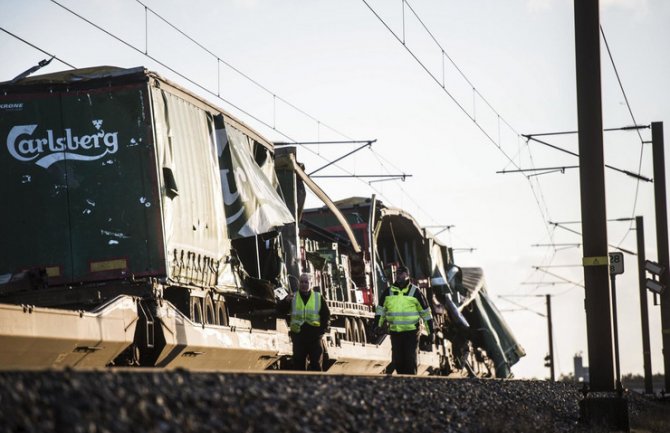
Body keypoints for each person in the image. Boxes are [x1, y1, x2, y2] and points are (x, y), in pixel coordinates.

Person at [373, 265, 433, 375]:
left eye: (401, 274)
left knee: (410, 359)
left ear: (407, 275)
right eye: (397, 274)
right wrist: (377, 325)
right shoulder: (388, 292)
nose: (398, 276)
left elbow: (426, 313)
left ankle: (411, 382)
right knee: (399, 361)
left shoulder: (416, 292)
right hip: (395, 332)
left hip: (412, 332)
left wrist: (430, 332)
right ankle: (402, 381)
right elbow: (380, 311)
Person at [288, 273, 330, 371]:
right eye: (301, 282)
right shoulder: (293, 297)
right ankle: (301, 385)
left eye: (306, 282)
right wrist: (285, 301)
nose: (303, 284)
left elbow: (326, 315)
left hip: (314, 337)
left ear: (311, 284)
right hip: (299, 336)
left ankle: (317, 384)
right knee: (299, 365)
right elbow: (280, 309)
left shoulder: (318, 297)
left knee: (316, 364)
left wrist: (321, 332)